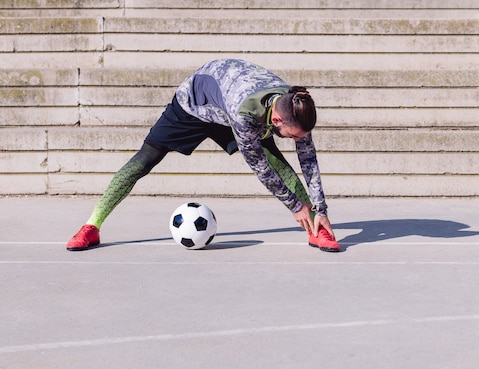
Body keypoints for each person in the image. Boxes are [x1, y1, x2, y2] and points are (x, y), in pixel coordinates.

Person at [66, 59, 340, 252]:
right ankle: (92, 226)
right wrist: (294, 205)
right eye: (292, 135)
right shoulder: (245, 114)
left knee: (277, 160)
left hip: (230, 100)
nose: (296, 140)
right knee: (145, 159)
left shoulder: (296, 106)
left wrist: (321, 208)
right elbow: (261, 170)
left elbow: (308, 160)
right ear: (277, 119)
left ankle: (318, 228)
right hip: (194, 105)